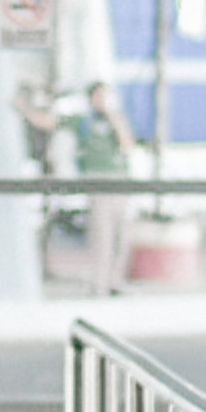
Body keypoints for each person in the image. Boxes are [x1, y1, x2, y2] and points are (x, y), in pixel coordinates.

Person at [73, 78, 136, 295]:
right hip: (97, 181)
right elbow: (51, 122)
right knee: (102, 234)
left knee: (122, 234)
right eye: (99, 96)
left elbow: (127, 145)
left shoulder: (118, 119)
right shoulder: (83, 122)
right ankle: (98, 283)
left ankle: (115, 281)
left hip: (120, 182)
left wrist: (113, 118)